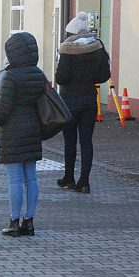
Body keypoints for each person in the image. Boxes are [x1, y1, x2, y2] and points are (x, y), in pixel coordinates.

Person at [0, 32, 46, 237]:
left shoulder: (11, 76)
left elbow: (4, 108)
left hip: (13, 131)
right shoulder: (38, 74)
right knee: (31, 178)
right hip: (33, 128)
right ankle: (29, 221)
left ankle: (14, 221)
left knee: (15, 179)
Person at [55, 12, 111, 194]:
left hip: (69, 101)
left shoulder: (67, 49)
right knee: (86, 141)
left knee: (69, 141)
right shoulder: (97, 46)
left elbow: (61, 78)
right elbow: (104, 75)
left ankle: (68, 177)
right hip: (89, 99)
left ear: (71, 33)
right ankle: (84, 181)